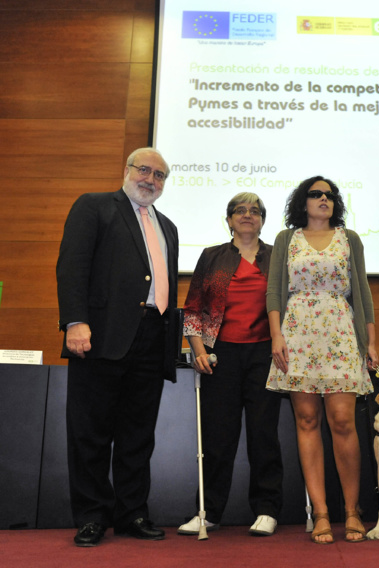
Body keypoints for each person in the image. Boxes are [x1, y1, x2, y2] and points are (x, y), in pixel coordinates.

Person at [56, 147, 179, 547]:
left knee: (138, 436)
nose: (151, 179)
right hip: (100, 335)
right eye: (145, 170)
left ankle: (132, 514)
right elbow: (72, 265)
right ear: (127, 170)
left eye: (160, 175)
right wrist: (76, 322)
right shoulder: (94, 207)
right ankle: (91, 516)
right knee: (90, 433)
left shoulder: (169, 227)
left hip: (152, 338)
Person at [266, 176, 378, 544]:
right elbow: (274, 292)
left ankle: (352, 510)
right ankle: (321, 512)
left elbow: (361, 290)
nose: (323, 200)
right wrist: (277, 336)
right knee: (307, 419)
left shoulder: (350, 239)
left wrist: (371, 343)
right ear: (303, 201)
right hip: (297, 333)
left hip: (341, 332)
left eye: (329, 195)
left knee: (344, 421)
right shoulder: (287, 239)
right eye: (316, 194)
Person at [177, 192, 283, 537]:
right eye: (240, 210)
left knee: (263, 435)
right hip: (219, 355)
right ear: (229, 220)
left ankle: (267, 509)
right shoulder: (212, 256)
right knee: (218, 438)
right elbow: (193, 308)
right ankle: (208, 511)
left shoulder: (277, 257)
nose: (247, 215)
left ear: (263, 220)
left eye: (255, 211)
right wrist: (198, 349)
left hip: (266, 354)